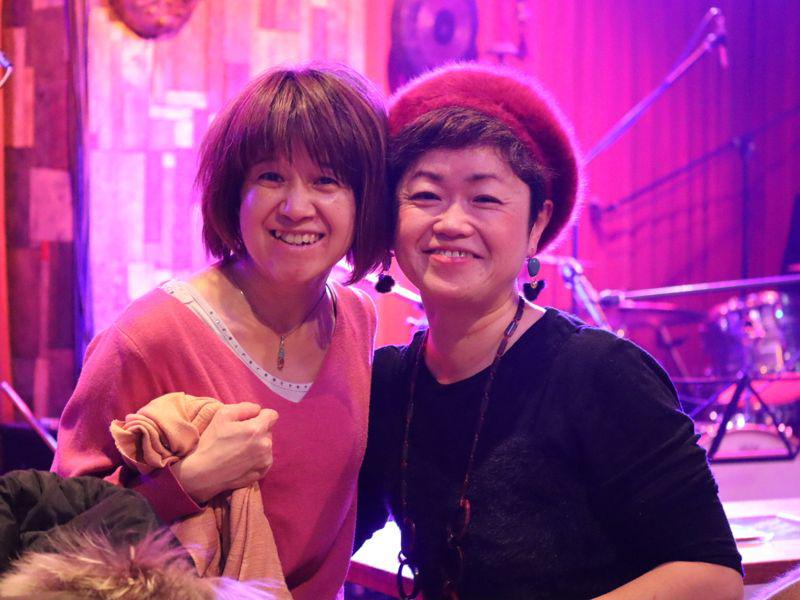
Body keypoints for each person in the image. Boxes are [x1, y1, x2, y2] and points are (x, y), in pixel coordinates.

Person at [356, 63, 744, 600]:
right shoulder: (389, 383)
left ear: (537, 223)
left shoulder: (598, 373)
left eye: (484, 199)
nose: (451, 223)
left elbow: (713, 574)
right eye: (425, 195)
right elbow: (321, 536)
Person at [53, 63, 392, 600]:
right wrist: (186, 483)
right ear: (235, 194)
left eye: (326, 181)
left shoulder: (357, 318)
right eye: (271, 177)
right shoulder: (149, 336)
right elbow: (59, 536)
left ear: (365, 201)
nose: (296, 207)